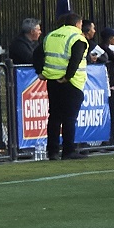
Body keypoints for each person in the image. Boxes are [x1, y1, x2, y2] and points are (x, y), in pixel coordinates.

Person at [38, 12, 91, 161]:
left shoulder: (51, 35)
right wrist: (67, 77)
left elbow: (37, 54)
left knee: (54, 117)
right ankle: (68, 150)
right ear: (78, 24)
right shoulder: (77, 38)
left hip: (52, 81)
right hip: (71, 83)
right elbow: (75, 59)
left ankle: (53, 152)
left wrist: (40, 72)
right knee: (69, 118)